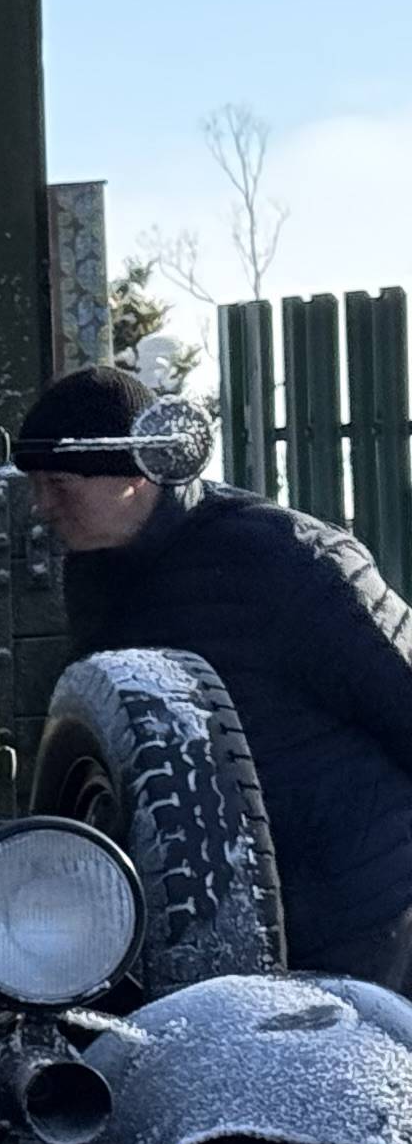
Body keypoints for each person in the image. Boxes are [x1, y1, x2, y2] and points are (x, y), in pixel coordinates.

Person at [21, 361, 412, 988]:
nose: (41, 507)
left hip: (355, 907)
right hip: (221, 916)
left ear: (135, 477)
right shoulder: (97, 573)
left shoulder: (286, 557)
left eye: (59, 483)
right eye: (34, 484)